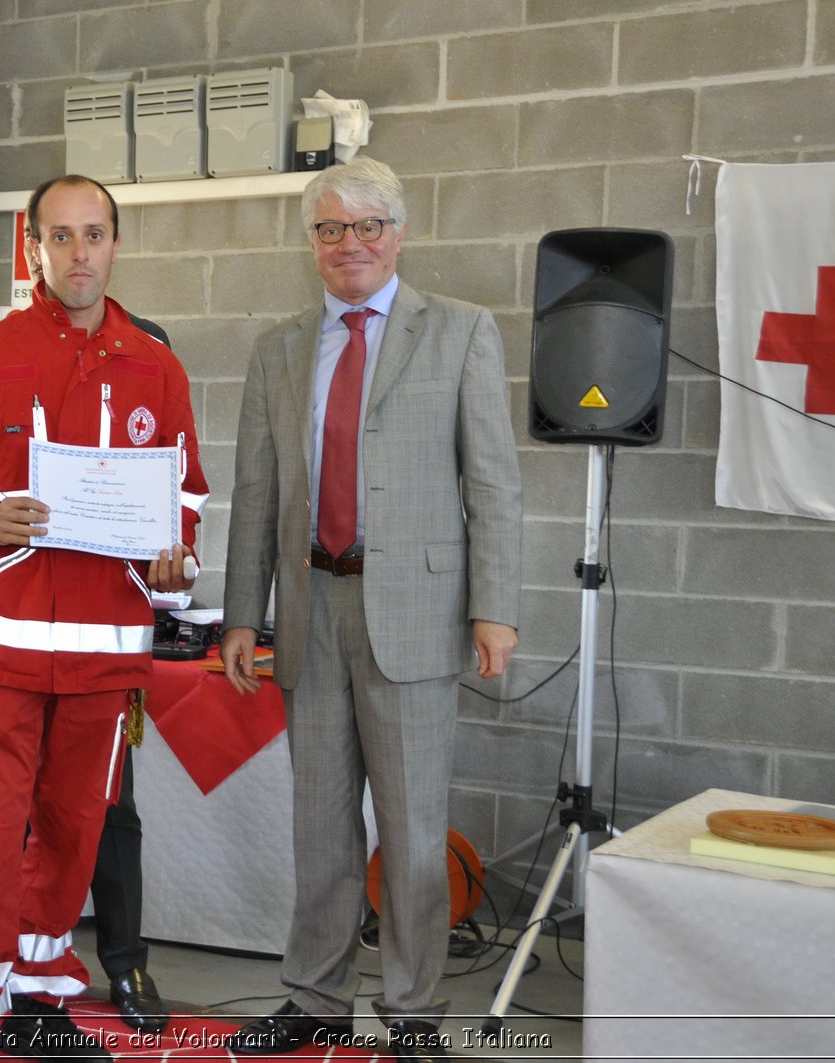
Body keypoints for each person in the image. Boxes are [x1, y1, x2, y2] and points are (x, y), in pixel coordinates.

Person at [0, 174, 207, 1061]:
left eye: (94, 235)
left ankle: (36, 993)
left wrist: (172, 550)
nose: (79, 254)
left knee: (75, 826)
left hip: (105, 653)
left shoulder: (157, 364)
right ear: (31, 246)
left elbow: (183, 490)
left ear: (115, 243)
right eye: (60, 237)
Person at [218, 159, 522, 1063]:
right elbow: (257, 489)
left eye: (367, 226)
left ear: (400, 231)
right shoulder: (277, 345)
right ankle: (314, 1000)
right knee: (319, 829)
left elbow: (495, 482)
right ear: (311, 242)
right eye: (329, 229)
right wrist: (244, 613)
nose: (349, 244)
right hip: (311, 608)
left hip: (420, 618)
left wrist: (495, 607)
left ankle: (414, 1014)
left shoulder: (461, 332)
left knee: (416, 835)